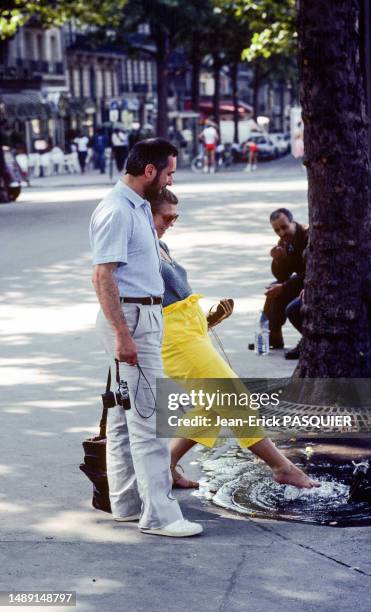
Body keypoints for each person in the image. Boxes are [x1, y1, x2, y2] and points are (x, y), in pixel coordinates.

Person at [150, 188, 320, 491]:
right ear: (145, 212)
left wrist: (207, 318)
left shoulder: (159, 243)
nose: (172, 222)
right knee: (232, 396)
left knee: (212, 405)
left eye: (176, 216)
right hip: (173, 336)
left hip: (190, 329)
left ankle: (166, 465)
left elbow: (171, 296)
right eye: (167, 216)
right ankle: (282, 467)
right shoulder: (139, 247)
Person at [89, 138, 203, 538]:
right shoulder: (118, 210)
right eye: (169, 171)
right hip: (133, 317)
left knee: (124, 416)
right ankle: (161, 517)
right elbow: (103, 275)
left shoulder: (135, 207)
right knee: (149, 419)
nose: (172, 178)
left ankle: (127, 504)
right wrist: (123, 333)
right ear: (150, 171)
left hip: (140, 314)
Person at [263, 208, 308, 350]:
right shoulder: (284, 241)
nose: (281, 233)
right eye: (277, 230)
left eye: (284, 227)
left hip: (311, 283)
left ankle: (309, 340)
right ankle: (274, 336)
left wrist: (284, 287)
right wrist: (278, 260)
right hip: (301, 283)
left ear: (292, 222)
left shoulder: (308, 236)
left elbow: (310, 273)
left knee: (286, 299)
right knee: (273, 288)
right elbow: (282, 276)